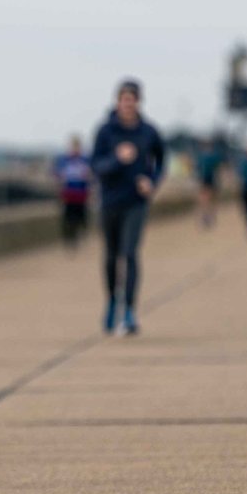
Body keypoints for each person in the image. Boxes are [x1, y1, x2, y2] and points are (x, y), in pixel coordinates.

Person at [91, 79, 166, 335]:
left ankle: (131, 310)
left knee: (130, 253)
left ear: (138, 102)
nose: (128, 104)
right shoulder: (105, 132)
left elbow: (161, 159)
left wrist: (152, 180)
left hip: (136, 201)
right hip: (110, 201)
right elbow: (96, 165)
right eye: (124, 99)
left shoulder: (148, 131)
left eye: (132, 99)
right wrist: (116, 159)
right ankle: (113, 301)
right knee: (112, 256)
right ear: (117, 101)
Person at [53, 135, 92, 250]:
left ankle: (78, 235)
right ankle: (69, 239)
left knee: (81, 218)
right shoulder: (63, 159)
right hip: (68, 194)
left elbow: (91, 175)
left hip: (81, 195)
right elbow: (56, 174)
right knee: (67, 218)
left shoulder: (85, 160)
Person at [194, 137, 223, 228]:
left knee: (211, 199)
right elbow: (197, 168)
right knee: (204, 199)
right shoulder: (201, 156)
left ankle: (210, 215)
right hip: (204, 180)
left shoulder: (214, 156)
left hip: (212, 179)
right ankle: (206, 216)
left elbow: (218, 167)